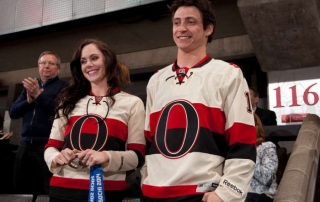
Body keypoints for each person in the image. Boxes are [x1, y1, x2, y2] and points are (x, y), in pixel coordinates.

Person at [141, 0, 257, 202]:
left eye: (190, 22)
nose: (181, 28)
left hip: (200, 195)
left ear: (208, 29)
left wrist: (226, 194)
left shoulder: (228, 74)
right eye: (176, 22)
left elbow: (243, 142)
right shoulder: (156, 80)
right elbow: (149, 141)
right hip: (152, 195)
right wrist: (146, 180)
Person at [44, 39, 146, 202]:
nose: (88, 64)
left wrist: (106, 157)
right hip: (62, 190)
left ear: (108, 60)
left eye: (94, 58)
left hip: (107, 192)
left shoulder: (132, 103)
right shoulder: (67, 101)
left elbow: (138, 156)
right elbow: (51, 147)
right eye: (83, 61)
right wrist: (56, 158)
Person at [9, 51, 68, 200]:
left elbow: (59, 111)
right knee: (20, 188)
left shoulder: (64, 87)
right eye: (43, 63)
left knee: (45, 189)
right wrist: (28, 101)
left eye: (51, 63)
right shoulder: (30, 87)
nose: (46, 66)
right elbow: (13, 112)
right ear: (38, 66)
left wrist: (39, 96)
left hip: (47, 146)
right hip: (25, 144)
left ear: (58, 68)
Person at [245, 114, 278, 202]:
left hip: (259, 195)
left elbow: (266, 179)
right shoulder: (232, 149)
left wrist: (248, 153)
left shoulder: (267, 147)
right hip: (237, 193)